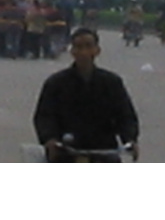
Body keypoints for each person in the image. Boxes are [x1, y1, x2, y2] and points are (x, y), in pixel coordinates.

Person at [33, 27, 140, 163]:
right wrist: (50, 139)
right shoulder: (56, 83)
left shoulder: (112, 82)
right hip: (67, 151)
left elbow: (126, 115)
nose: (84, 52)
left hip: (103, 150)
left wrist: (130, 139)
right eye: (78, 47)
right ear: (72, 51)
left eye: (88, 46)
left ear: (97, 50)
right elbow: (44, 116)